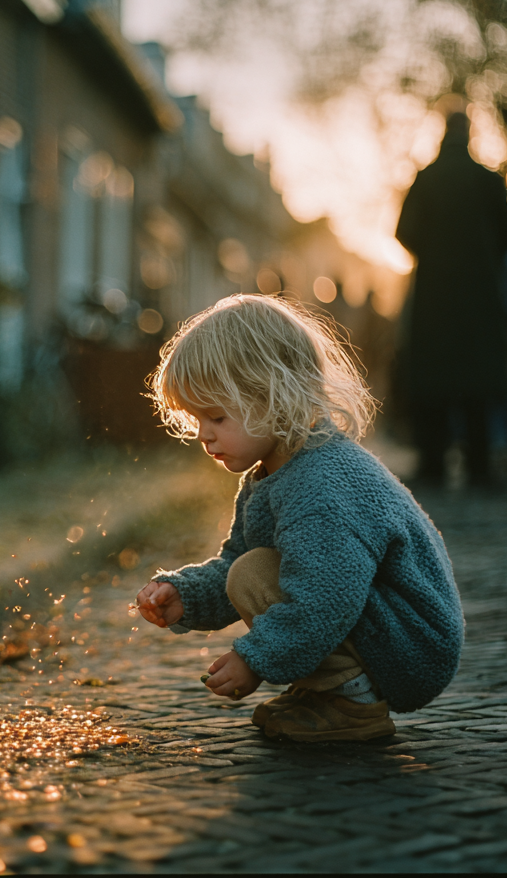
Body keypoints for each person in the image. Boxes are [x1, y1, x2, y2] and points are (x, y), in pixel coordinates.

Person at [133, 295, 464, 742]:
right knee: (249, 569)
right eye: (195, 419)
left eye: (215, 416)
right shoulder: (274, 471)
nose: (203, 434)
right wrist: (187, 596)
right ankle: (326, 693)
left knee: (258, 574)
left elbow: (324, 596)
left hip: (411, 646)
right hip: (379, 627)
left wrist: (255, 659)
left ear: (274, 393)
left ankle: (352, 703)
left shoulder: (322, 480)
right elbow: (239, 562)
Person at [395, 111, 507, 487]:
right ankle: (480, 464)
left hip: (435, 293)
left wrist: (433, 256)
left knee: (434, 378)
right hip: (480, 293)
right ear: (469, 136)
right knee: (477, 378)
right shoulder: (488, 180)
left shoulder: (426, 179)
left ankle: (433, 464)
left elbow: (404, 232)